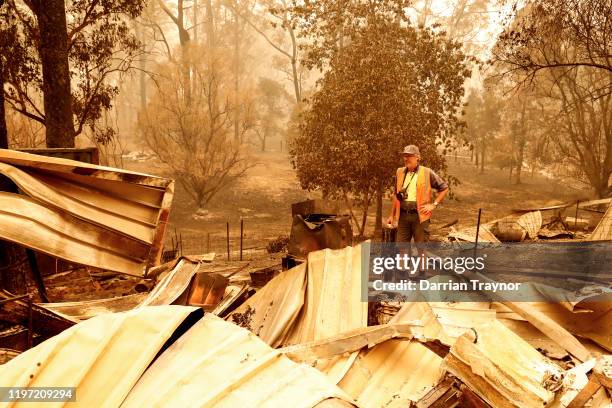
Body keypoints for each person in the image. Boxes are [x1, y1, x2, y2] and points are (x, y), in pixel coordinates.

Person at [386, 145, 449, 244]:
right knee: (402, 249)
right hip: (402, 216)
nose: (406, 159)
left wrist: (434, 204)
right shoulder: (399, 172)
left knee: (421, 250)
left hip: (420, 217)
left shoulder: (427, 172)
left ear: (417, 157)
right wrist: (391, 215)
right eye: (405, 156)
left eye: (409, 156)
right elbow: (396, 195)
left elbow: (444, 188)